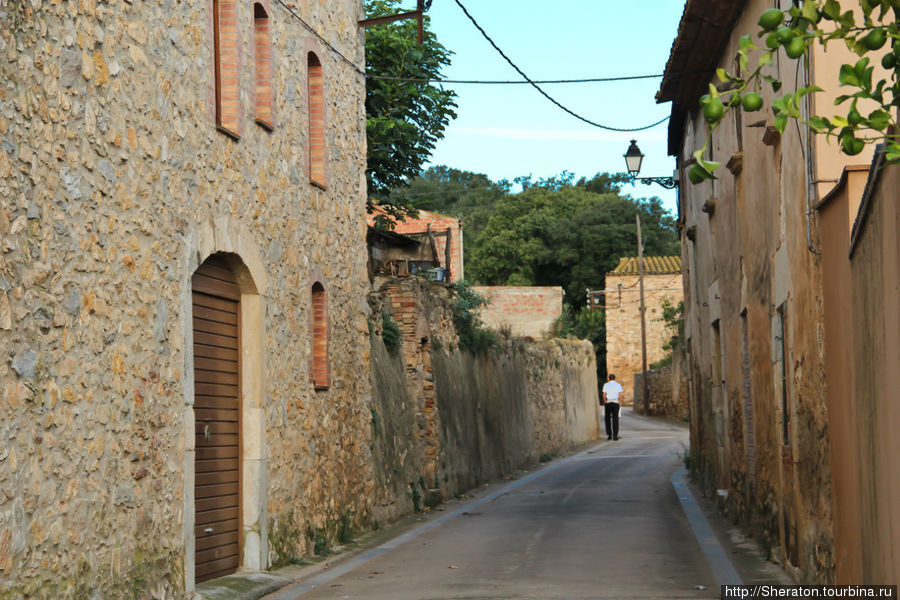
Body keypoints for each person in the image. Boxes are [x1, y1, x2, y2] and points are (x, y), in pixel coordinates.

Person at [601, 374, 624, 440]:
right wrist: (620, 402)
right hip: (615, 402)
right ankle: (615, 436)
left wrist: (605, 401)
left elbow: (604, 394)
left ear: (609, 378)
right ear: (615, 378)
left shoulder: (606, 385)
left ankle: (609, 435)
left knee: (607, 419)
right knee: (615, 419)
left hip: (608, 403)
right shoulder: (618, 385)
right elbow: (620, 394)